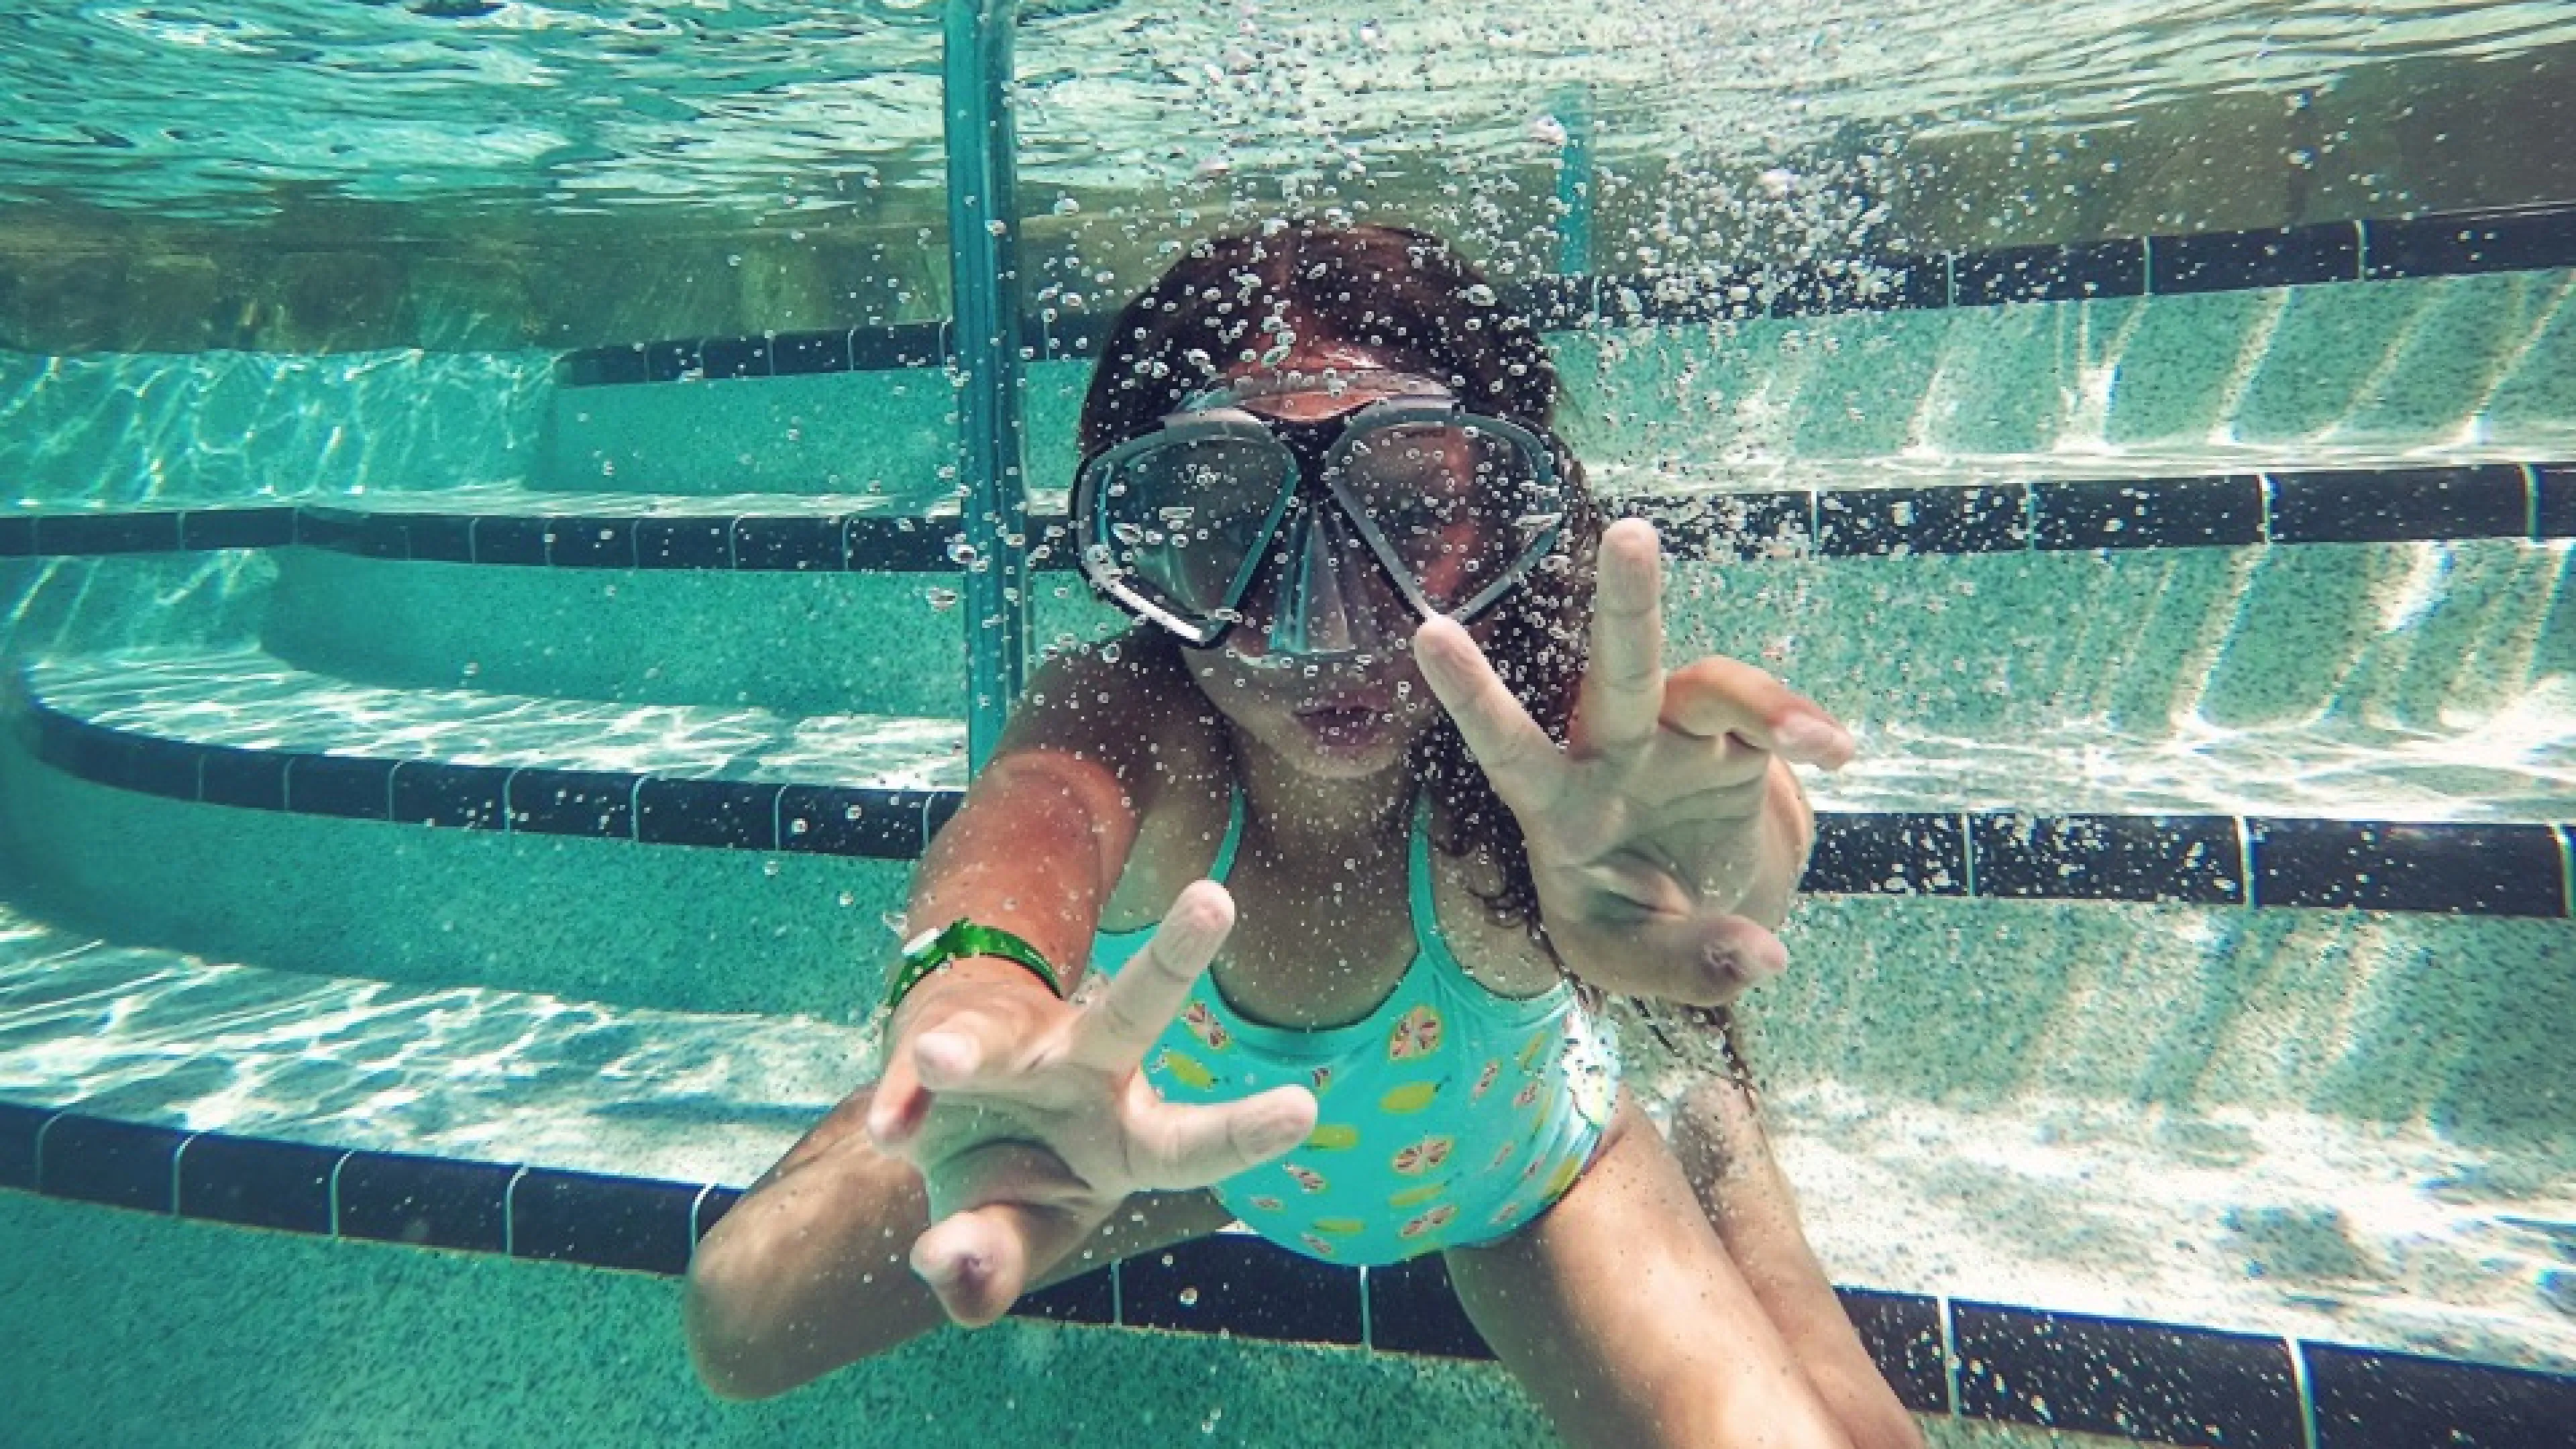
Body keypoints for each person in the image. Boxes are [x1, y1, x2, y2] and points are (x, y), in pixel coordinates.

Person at [684, 219, 1923, 1449]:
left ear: (1503, 520)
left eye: (1406, 511)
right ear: (1141, 556)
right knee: (739, 1317)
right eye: (1228, 522)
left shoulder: (1557, 740)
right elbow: (1039, 812)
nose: (1322, 614)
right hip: (1169, 1141)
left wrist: (1720, 862)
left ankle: (1735, 1176)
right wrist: (975, 998)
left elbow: (1723, 844)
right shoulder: (1139, 712)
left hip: (1518, 1173)